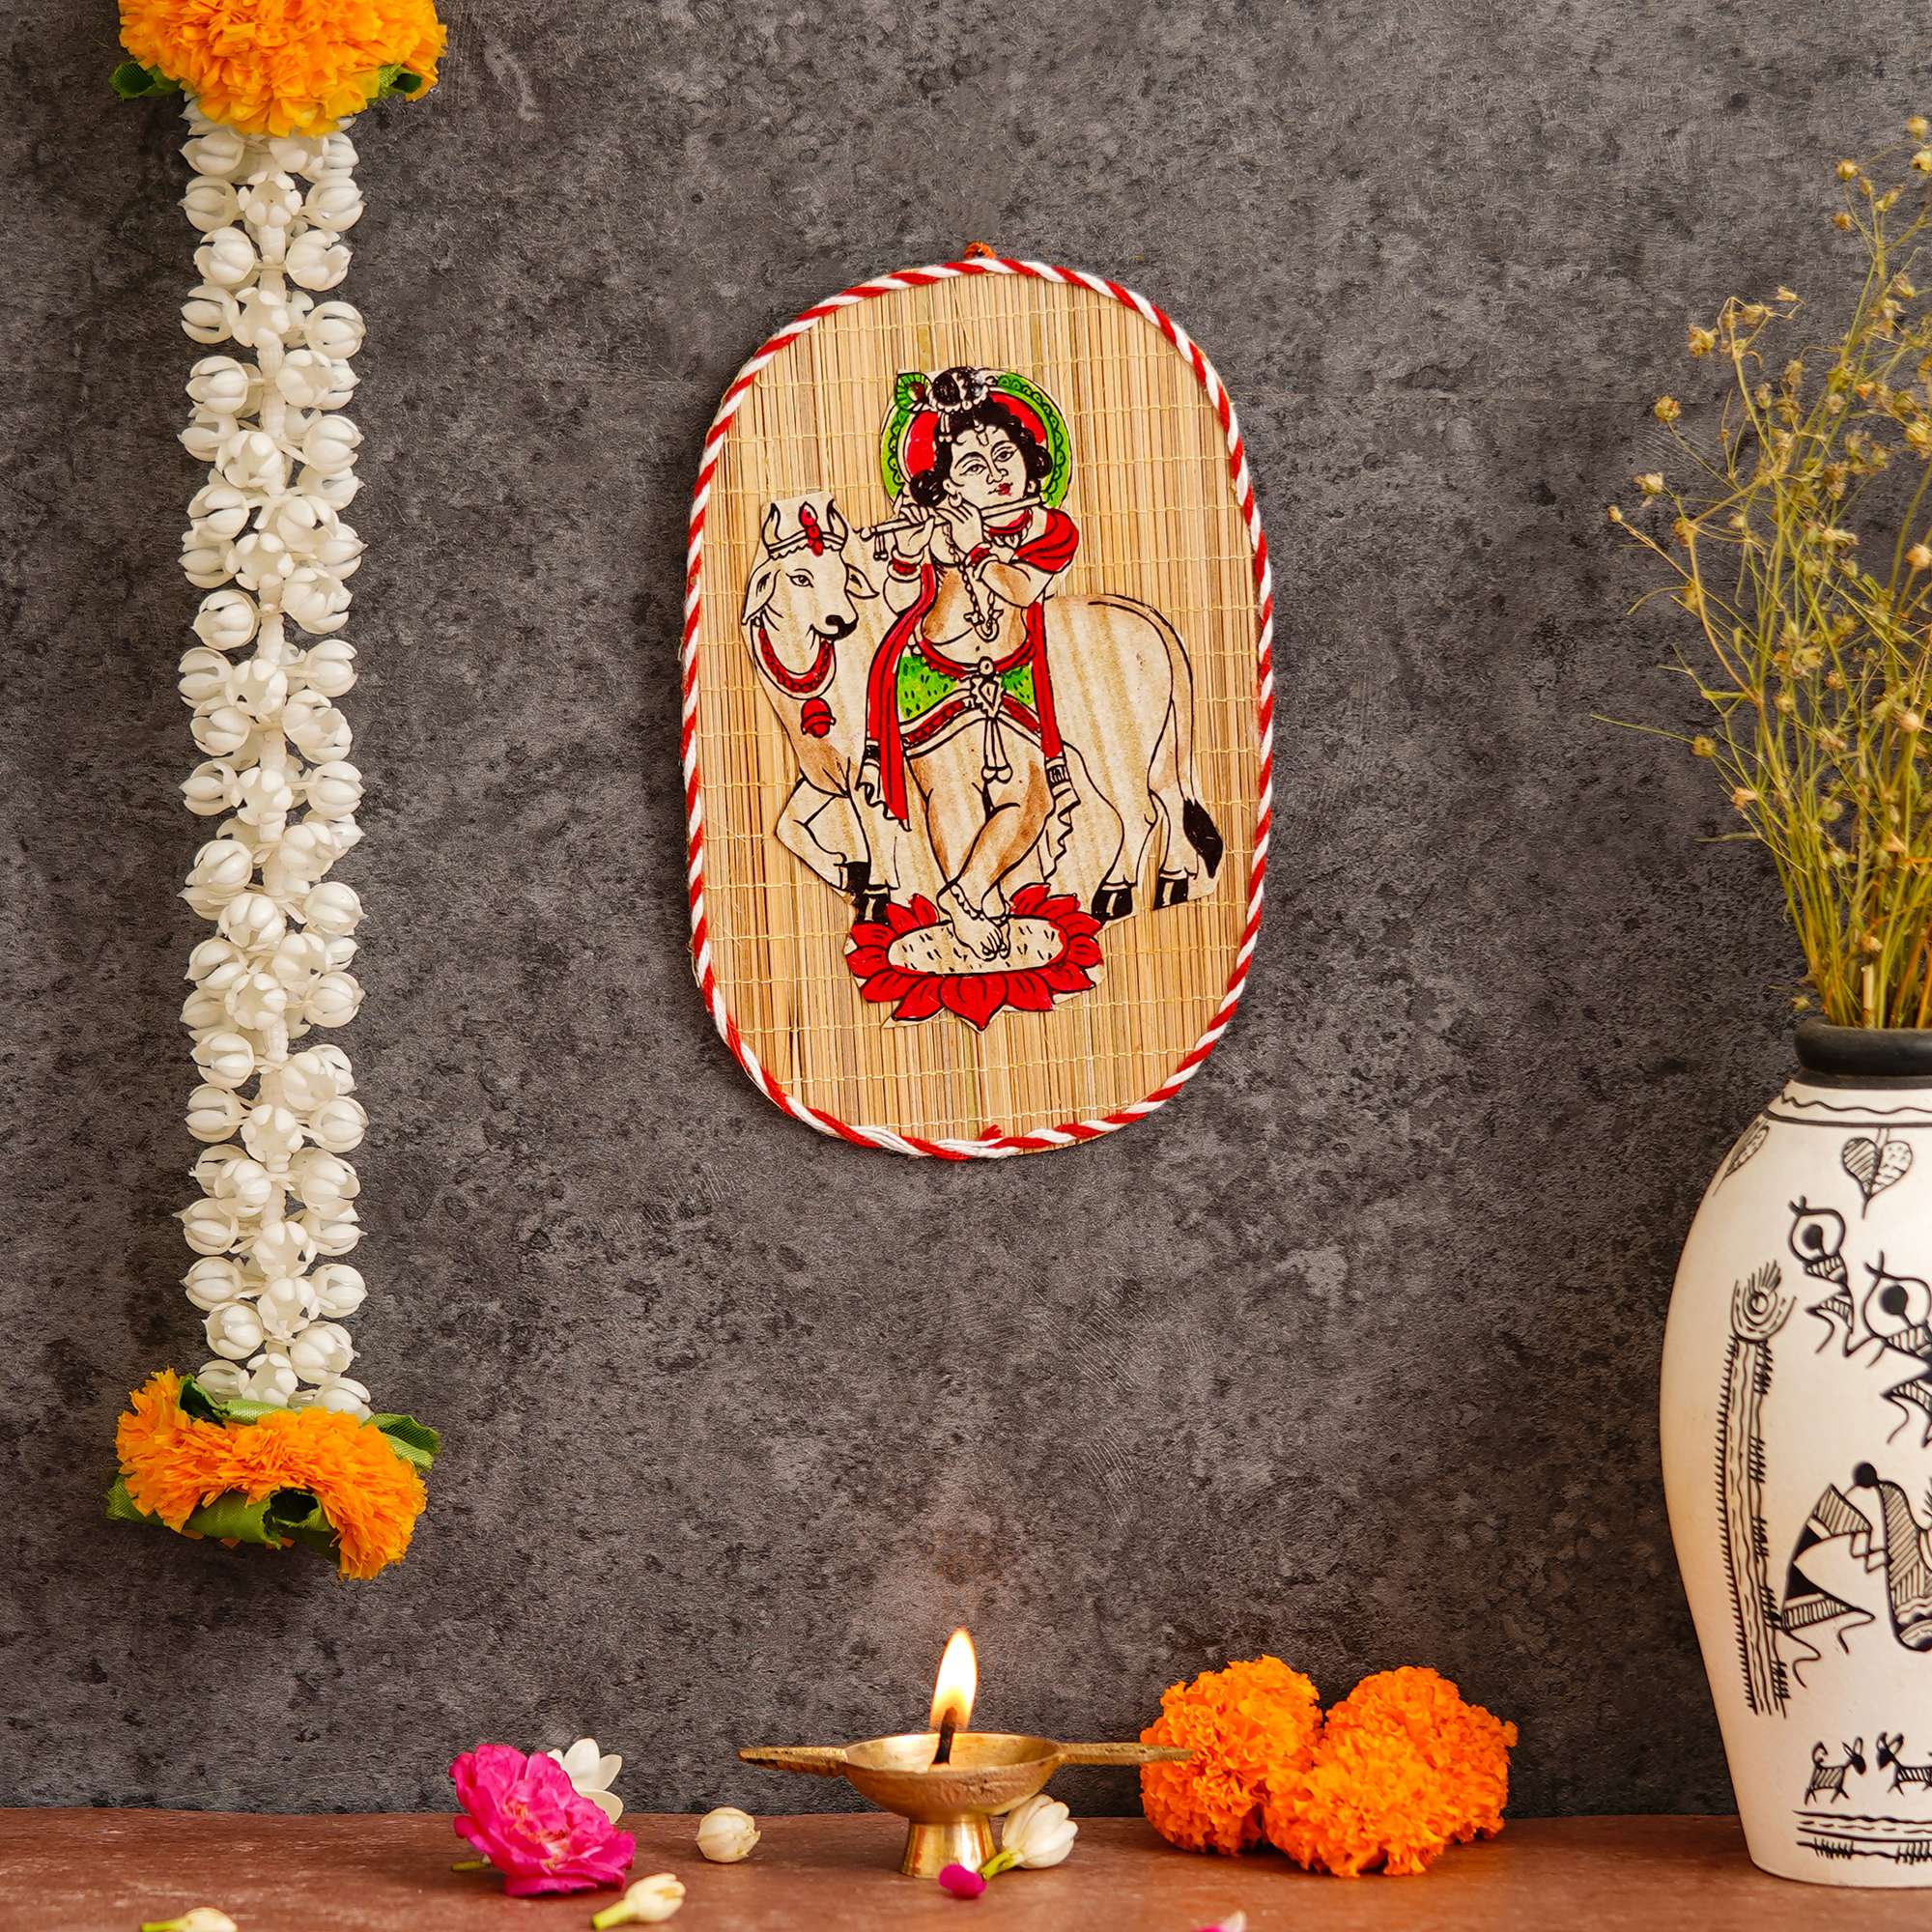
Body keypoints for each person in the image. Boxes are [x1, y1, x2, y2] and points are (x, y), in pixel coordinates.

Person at [860, 368, 1080, 960]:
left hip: (1014, 676)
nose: (996, 473)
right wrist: (906, 557)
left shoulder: (1048, 528)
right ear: (948, 483)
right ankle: (970, 915)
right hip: (932, 676)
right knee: (951, 795)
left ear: (1030, 460)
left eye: (1005, 456)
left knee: (1031, 799)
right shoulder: (932, 525)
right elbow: (900, 600)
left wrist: (976, 546)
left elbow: (1021, 589)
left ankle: (966, 894)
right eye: (974, 467)